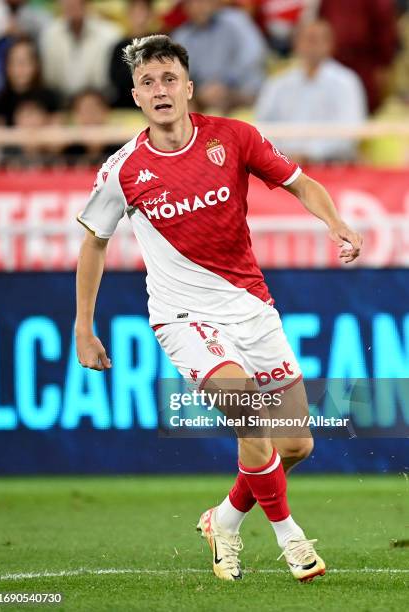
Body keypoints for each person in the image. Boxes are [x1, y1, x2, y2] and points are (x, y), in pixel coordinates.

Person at [75, 35, 362, 582]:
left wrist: (335, 221)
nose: (159, 90)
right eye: (147, 82)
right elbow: (93, 243)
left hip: (250, 307)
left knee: (295, 443)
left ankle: (224, 519)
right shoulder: (123, 171)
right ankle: (291, 539)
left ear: (188, 87)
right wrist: (83, 329)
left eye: (168, 79)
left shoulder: (233, 138)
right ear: (135, 96)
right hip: (182, 319)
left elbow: (300, 183)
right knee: (248, 415)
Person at [254, 20, 367, 163]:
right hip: (283, 167)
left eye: (317, 40)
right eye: (307, 39)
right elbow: (262, 128)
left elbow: (351, 133)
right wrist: (284, 154)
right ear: (296, 44)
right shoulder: (277, 84)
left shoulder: (346, 82)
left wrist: (310, 155)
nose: (312, 45)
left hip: (332, 166)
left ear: (330, 44)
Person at [172, 0, 267, 112]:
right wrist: (199, 91)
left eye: (201, 2)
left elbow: (254, 56)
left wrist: (224, 84)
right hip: (203, 98)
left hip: (243, 92)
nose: (198, 7)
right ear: (184, 8)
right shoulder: (182, 36)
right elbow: (178, 75)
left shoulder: (236, 20)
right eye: (191, 3)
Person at [39, 0, 121, 101]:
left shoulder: (110, 34)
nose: (72, 3)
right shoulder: (49, 34)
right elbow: (50, 81)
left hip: (100, 102)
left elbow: (106, 85)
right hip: (60, 102)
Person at [0, 36, 61, 126]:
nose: (21, 68)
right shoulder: (1, 102)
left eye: (25, 61)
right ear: (6, 67)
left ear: (36, 65)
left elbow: (59, 130)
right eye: (15, 62)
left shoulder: (51, 98)